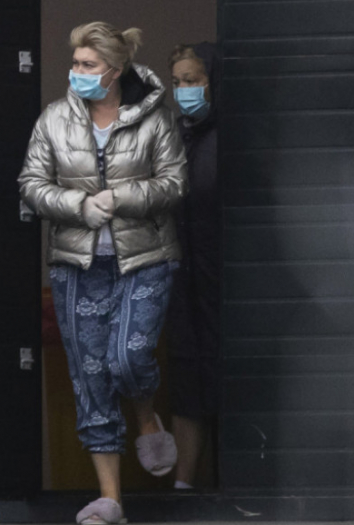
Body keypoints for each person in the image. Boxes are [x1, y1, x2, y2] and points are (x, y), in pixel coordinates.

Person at [18, 21, 188, 525]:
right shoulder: (54, 119)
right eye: (75, 64)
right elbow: (31, 182)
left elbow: (175, 182)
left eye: (88, 65)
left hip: (145, 258)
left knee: (128, 359)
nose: (77, 72)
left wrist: (121, 198)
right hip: (77, 264)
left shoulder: (155, 118)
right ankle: (110, 499)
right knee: (90, 377)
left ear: (115, 70)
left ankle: (146, 416)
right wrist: (78, 206)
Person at [166, 42, 222, 491]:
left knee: (227, 377)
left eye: (193, 80)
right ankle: (183, 487)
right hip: (182, 282)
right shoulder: (173, 137)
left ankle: (234, 486)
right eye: (177, 81)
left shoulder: (232, 137)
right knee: (186, 379)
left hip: (222, 282)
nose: (183, 90)